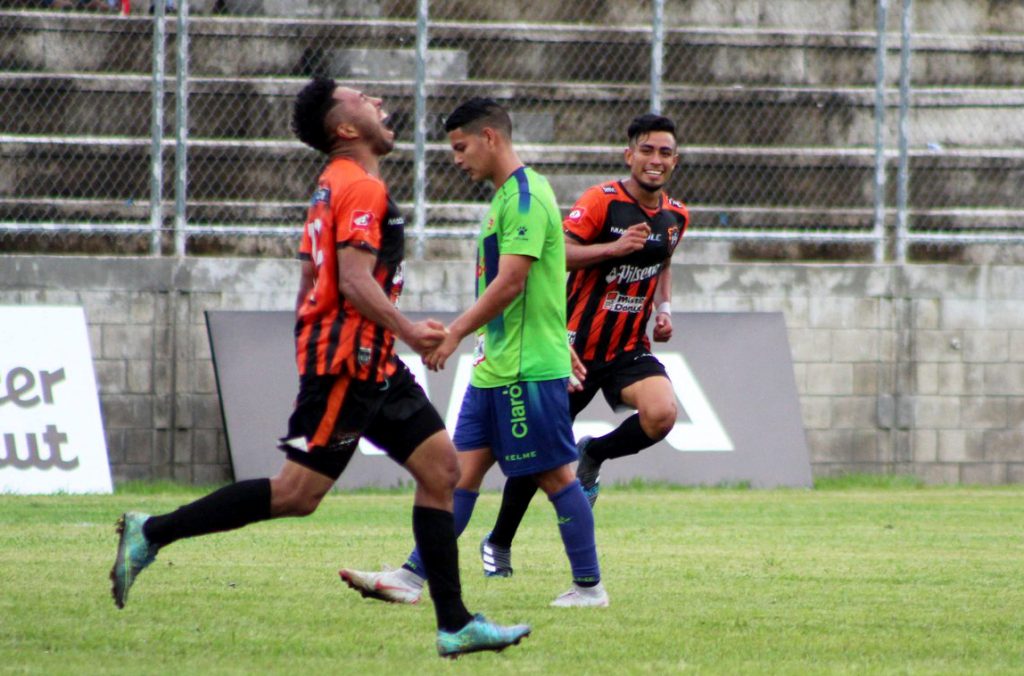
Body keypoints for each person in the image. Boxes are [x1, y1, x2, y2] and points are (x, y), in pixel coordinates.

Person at [108, 78, 530, 659]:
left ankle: (455, 624)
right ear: (347, 128)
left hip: (371, 361)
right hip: (349, 363)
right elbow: (352, 280)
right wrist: (406, 331)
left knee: (442, 470)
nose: (377, 102)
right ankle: (152, 531)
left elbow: (311, 275)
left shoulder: (334, 184)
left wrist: (329, 336)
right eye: (362, 100)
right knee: (297, 493)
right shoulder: (359, 187)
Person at [339, 97, 607, 608]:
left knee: (555, 476)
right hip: (496, 367)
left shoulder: (526, 197)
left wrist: (456, 331)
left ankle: (589, 587)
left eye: (461, 147)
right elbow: (538, 284)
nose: (457, 159)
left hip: (524, 370)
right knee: (456, 475)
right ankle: (411, 577)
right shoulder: (507, 198)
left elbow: (512, 282)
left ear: (490, 137)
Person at [478, 113, 689, 577]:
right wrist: (614, 249)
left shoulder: (676, 216)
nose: (656, 160)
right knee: (539, 453)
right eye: (647, 150)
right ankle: (499, 541)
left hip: (627, 347)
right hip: (571, 348)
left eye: (665, 152)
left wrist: (665, 308)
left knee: (662, 414)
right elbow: (559, 254)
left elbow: (664, 262)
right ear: (629, 155)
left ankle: (594, 453)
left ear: (675, 160)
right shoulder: (601, 202)